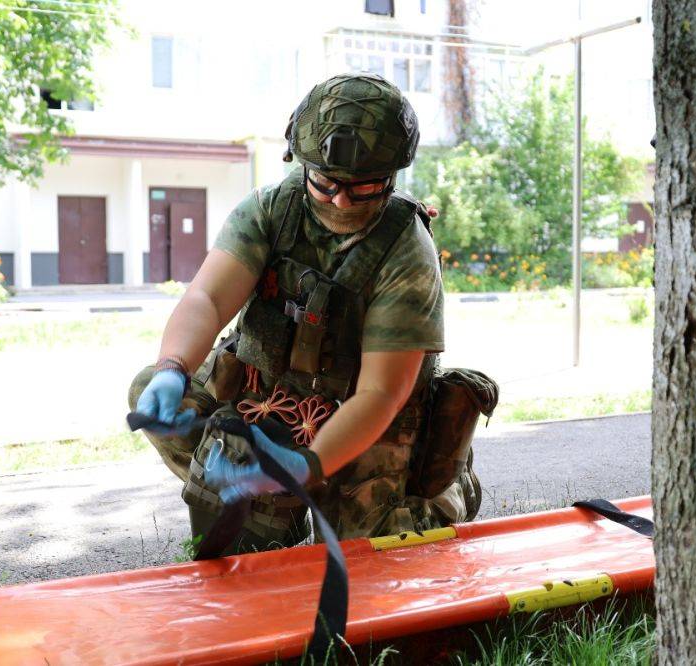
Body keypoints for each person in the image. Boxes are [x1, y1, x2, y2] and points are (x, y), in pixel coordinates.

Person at [129, 73, 493, 553]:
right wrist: (173, 369)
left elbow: (381, 393)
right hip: (275, 393)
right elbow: (209, 299)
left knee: (375, 552)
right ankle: (268, 501)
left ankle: (441, 491)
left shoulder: (406, 250)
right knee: (157, 394)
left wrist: (307, 464)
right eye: (326, 182)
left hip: (366, 409)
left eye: (364, 187)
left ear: (392, 176)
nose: (341, 199)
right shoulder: (270, 209)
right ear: (300, 162)